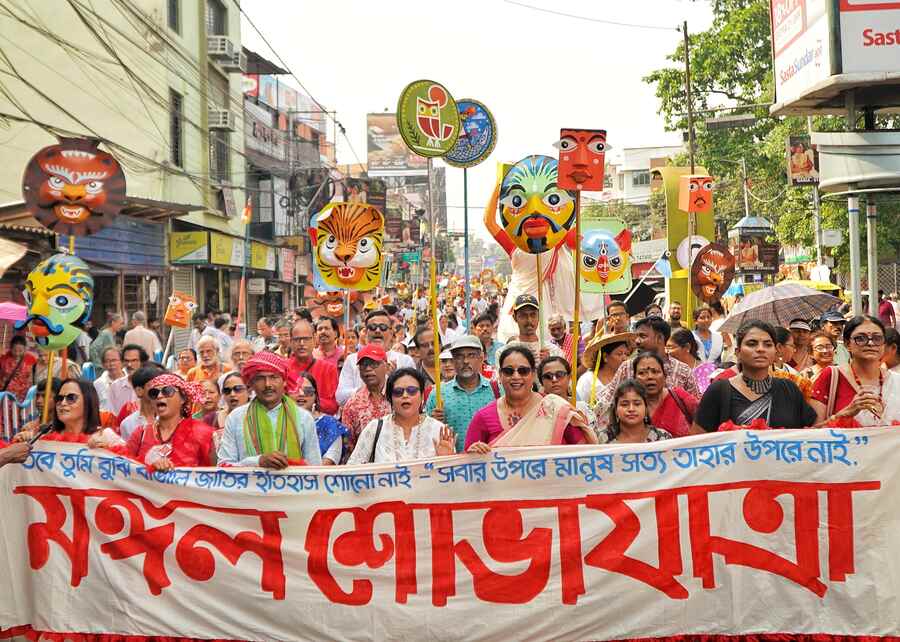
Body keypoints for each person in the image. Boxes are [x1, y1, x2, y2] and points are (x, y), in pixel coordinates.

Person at [465, 345, 597, 452]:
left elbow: (584, 454)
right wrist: (473, 455)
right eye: (508, 371)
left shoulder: (555, 408)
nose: (516, 376)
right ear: (500, 375)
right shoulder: (483, 417)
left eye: (523, 371)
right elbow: (466, 468)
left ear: (533, 374)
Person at [691, 320, 817, 433]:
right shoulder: (719, 390)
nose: (761, 349)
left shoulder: (789, 389)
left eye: (768, 344)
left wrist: (834, 419)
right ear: (738, 352)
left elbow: (811, 434)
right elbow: (698, 442)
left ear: (775, 351)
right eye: (752, 344)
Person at [593, 316, 701, 429]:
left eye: (642, 336)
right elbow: (606, 404)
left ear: (660, 338)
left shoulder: (682, 370)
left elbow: (697, 411)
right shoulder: (627, 367)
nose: (637, 341)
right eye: (642, 373)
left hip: (674, 442)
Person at [217, 351, 321, 467]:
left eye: (274, 377)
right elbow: (223, 466)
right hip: (250, 485)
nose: (267, 384)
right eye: (260, 378)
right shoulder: (236, 418)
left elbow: (315, 467)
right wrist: (258, 462)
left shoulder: (303, 418)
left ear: (284, 381)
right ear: (251, 383)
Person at [97, 374, 214, 470]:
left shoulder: (202, 433)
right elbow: (125, 467)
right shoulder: (141, 433)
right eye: (154, 393)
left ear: (183, 398)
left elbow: (214, 475)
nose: (159, 396)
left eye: (167, 391)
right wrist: (104, 447)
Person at [347, 368, 455, 464]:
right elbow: (353, 471)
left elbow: (452, 479)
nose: (405, 395)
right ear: (390, 398)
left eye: (412, 391)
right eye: (398, 392)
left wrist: (446, 460)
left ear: (422, 396)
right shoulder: (375, 428)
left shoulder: (438, 430)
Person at [810, 315, 900, 426]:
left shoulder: (896, 381)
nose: (870, 343)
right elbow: (812, 433)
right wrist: (845, 414)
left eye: (877, 338)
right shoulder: (832, 376)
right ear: (848, 344)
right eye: (860, 338)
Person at [425, 335, 497, 454]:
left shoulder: (496, 390)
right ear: (453, 360)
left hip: (491, 465)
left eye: (471, 355)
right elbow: (425, 435)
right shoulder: (438, 394)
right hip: (453, 467)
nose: (465, 361)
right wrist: (433, 422)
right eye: (459, 356)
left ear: (481, 358)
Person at [336, 309, 415, 404]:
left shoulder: (404, 361)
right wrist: (368, 387)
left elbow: (413, 395)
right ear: (365, 332)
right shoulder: (352, 360)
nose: (377, 330)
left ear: (391, 333)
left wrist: (394, 379)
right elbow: (340, 397)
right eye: (372, 327)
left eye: (383, 327)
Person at [340, 343, 392, 460]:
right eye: (363, 365)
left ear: (387, 366)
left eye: (373, 364)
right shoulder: (353, 405)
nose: (368, 369)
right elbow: (349, 447)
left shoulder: (399, 395)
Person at [631, 351, 698, 438]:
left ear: (665, 376)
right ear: (634, 378)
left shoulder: (679, 397)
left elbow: (706, 423)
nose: (650, 377)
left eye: (655, 372)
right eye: (642, 373)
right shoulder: (629, 406)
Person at [286, 319, 338, 415]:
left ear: (314, 340)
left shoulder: (328, 369)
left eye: (306, 339)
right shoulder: (283, 369)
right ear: (291, 342)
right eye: (297, 339)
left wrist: (308, 399)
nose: (302, 343)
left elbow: (333, 405)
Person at [293, 374, 347, 465]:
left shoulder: (330, 424)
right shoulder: (281, 422)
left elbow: (330, 461)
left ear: (315, 396)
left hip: (320, 476)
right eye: (296, 390)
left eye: (308, 391)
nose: (301, 394)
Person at [538, 356, 597, 437]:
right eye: (548, 376)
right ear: (541, 382)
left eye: (559, 374)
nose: (554, 380)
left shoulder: (583, 408)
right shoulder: (538, 411)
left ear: (569, 377)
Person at [599, 380, 673, 443]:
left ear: (646, 408)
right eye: (624, 404)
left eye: (637, 404)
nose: (631, 409)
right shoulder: (602, 439)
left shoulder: (663, 439)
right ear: (616, 410)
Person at [502, 294, 563, 365]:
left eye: (533, 315)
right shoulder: (505, 353)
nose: (529, 320)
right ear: (515, 317)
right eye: (523, 315)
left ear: (539, 317)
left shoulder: (554, 352)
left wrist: (549, 364)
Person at [576, 332, 633, 405]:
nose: (624, 358)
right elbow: (580, 407)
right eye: (619, 354)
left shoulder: (627, 378)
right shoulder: (588, 380)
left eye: (626, 354)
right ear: (605, 357)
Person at [119, 365, 166, 441]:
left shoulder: (172, 418)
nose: (159, 391)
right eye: (154, 386)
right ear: (139, 391)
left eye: (161, 386)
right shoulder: (128, 424)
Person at [666, 328, 715, 394]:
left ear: (687, 347)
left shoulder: (709, 369)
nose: (666, 351)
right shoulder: (668, 369)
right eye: (665, 347)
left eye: (670, 347)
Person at [0, 336, 36, 402]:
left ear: (25, 349)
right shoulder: (3, 358)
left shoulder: (31, 359)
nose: (17, 353)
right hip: (6, 394)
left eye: (20, 351)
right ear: (10, 348)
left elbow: (31, 378)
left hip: (23, 395)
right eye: (14, 350)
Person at [94, 347, 126, 413]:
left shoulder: (131, 381)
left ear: (122, 362)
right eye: (107, 361)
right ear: (103, 364)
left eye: (114, 360)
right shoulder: (98, 384)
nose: (111, 364)